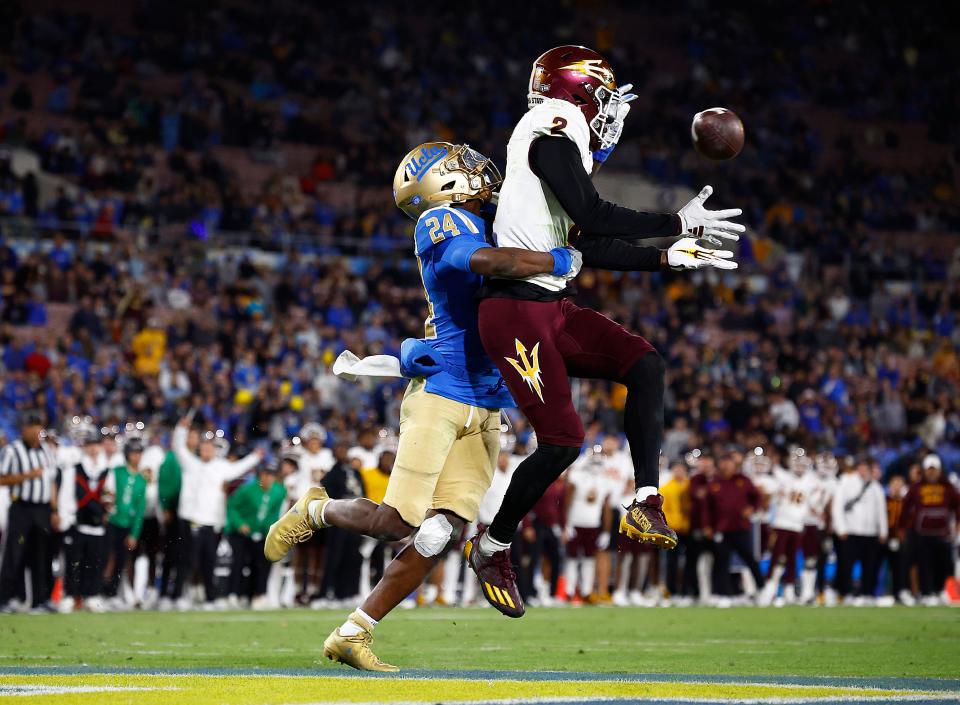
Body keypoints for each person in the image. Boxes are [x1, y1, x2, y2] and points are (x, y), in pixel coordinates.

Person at [264, 142, 581, 670]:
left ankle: (353, 633)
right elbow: (474, 260)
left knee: (440, 533)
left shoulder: (491, 221)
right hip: (442, 393)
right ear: (440, 185)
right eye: (458, 167)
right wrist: (556, 261)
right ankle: (315, 509)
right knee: (395, 522)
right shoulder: (440, 220)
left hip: (490, 400)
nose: (474, 171)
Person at [467, 45, 743, 615]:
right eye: (605, 98)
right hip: (516, 311)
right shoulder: (550, 128)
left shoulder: (557, 145)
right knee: (564, 440)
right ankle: (492, 545)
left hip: (550, 305)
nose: (610, 111)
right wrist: (673, 221)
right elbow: (592, 216)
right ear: (580, 93)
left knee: (645, 363)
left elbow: (586, 242)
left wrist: (668, 255)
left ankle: (645, 498)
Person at [172, 417, 264, 607]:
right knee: (188, 561)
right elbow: (179, 449)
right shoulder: (191, 464)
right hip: (193, 520)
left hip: (212, 523)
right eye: (203, 447)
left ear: (214, 450)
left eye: (209, 448)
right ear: (200, 449)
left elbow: (239, 468)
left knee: (209, 562)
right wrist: (180, 431)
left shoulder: (221, 468)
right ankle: (179, 597)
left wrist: (255, 457)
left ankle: (209, 598)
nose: (206, 450)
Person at [0, 411, 57, 613]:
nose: (35, 430)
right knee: (14, 553)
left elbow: (51, 483)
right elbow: (2, 479)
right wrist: (27, 476)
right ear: (23, 429)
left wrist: (55, 509)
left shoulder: (47, 451)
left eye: (38, 426)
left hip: (42, 509)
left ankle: (40, 601)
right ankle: (6, 599)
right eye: (31, 426)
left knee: (42, 555)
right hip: (21, 508)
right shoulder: (12, 450)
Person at [758, 449, 818, 606]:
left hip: (797, 525)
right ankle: (769, 589)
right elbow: (774, 471)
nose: (799, 468)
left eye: (802, 465)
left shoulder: (810, 481)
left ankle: (789, 589)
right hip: (781, 523)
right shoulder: (783, 478)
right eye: (796, 464)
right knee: (777, 557)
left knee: (791, 558)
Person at [899, 454, 960, 605]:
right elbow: (905, 508)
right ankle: (927, 593)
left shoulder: (947, 487)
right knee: (924, 564)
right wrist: (902, 527)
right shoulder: (917, 487)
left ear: (939, 470)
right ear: (925, 471)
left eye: (934, 469)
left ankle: (940, 591)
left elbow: (958, 506)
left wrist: (958, 523)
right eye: (929, 470)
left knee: (943, 563)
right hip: (922, 533)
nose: (932, 472)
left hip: (942, 532)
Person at [705, 451, 764, 604]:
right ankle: (722, 595)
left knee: (750, 559)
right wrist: (707, 526)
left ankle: (762, 589)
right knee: (721, 562)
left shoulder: (743, 480)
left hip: (741, 528)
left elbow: (757, 497)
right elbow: (707, 508)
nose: (726, 466)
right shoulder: (714, 483)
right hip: (722, 529)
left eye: (729, 462)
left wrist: (752, 508)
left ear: (734, 464)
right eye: (723, 462)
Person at [225, 460, 286, 609]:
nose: (268, 478)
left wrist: (269, 531)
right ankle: (233, 594)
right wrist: (239, 523)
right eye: (266, 474)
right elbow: (232, 506)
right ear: (260, 475)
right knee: (239, 562)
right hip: (240, 532)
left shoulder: (279, 491)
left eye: (271, 475)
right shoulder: (247, 489)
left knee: (261, 563)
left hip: (261, 533)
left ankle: (257, 595)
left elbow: (274, 513)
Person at [832, 458, 888, 605]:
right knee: (847, 565)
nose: (863, 471)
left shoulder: (876, 487)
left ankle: (867, 593)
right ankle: (847, 593)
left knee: (869, 565)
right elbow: (837, 506)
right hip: (851, 531)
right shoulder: (847, 483)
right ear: (857, 469)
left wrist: (883, 531)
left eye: (866, 468)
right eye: (861, 467)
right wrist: (841, 528)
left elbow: (881, 511)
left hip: (870, 533)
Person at [562, 448, 613, 604]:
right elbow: (567, 502)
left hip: (593, 525)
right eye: (593, 460)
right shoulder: (576, 477)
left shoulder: (605, 481)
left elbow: (606, 508)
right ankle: (569, 592)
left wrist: (606, 531)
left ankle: (586, 592)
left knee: (589, 559)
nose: (596, 464)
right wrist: (567, 524)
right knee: (572, 558)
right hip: (576, 523)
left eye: (598, 461)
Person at [104, 437, 148, 607]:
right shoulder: (116, 472)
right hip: (111, 522)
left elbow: (140, 510)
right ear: (127, 454)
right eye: (133, 453)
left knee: (122, 560)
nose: (136, 456)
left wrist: (134, 534)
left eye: (139, 453)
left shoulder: (141, 480)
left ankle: (113, 594)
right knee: (106, 557)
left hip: (127, 525)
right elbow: (108, 494)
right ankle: (100, 592)